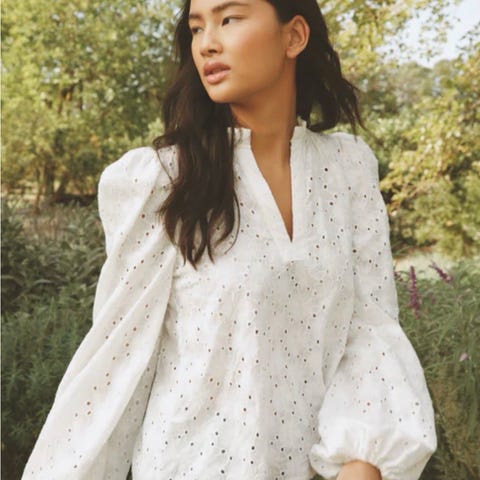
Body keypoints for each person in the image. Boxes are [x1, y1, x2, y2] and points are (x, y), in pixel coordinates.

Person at [22, 0, 437, 479]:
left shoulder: (347, 170)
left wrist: (365, 460)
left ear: (294, 36)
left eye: (229, 19)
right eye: (197, 28)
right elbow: (114, 366)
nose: (207, 44)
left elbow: (371, 330)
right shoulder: (163, 180)